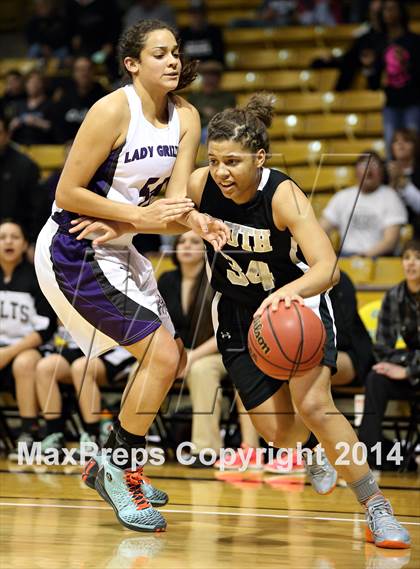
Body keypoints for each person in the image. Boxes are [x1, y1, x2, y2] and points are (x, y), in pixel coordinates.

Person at [185, 94, 410, 548]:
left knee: (314, 407)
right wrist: (124, 226)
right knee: (277, 431)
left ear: (260, 158)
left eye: (233, 161)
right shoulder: (198, 185)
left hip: (296, 305)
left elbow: (328, 267)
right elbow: (170, 218)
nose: (221, 171)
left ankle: (376, 507)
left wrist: (288, 292)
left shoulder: (283, 195)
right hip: (235, 312)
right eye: (214, 160)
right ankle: (310, 451)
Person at [34, 19, 229, 533]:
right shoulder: (111, 110)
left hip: (118, 244)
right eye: (159, 53)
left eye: (176, 52)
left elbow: (174, 200)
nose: (172, 61)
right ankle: (118, 471)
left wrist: (200, 219)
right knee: (162, 356)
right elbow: (68, 191)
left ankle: (116, 467)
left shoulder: (187, 114)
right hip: (74, 249)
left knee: (172, 359)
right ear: (132, 63)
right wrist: (139, 220)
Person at [158, 230, 260, 468]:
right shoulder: (167, 280)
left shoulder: (220, 280)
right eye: (181, 240)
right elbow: (159, 323)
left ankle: (206, 449)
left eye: (194, 241)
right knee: (143, 369)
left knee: (202, 369)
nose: (187, 245)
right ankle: (131, 445)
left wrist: (191, 357)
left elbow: (230, 329)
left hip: (220, 351)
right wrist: (176, 355)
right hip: (179, 352)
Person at [358, 239, 420, 470]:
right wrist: (402, 367)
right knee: (376, 378)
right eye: (406, 257)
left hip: (412, 370)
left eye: (417, 257)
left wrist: (408, 369)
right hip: (410, 369)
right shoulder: (394, 296)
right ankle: (369, 455)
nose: (411, 263)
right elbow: (382, 348)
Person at [35, 324, 135, 458]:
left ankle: (93, 437)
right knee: (45, 368)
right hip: (78, 345)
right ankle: (54, 435)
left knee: (81, 368)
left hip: (113, 348)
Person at [0, 220, 55, 457]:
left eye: (14, 237)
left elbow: (45, 328)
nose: (8, 242)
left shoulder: (36, 278)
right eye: (2, 237)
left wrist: (8, 352)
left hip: (26, 347)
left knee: (24, 363)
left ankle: (28, 431)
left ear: (24, 245)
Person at [320, 152, 408, 257]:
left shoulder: (390, 197)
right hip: (344, 256)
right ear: (356, 172)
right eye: (364, 165)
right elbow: (321, 229)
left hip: (377, 258)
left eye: (374, 165)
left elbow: (390, 241)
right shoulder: (342, 196)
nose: (369, 170)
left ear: (381, 172)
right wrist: (329, 254)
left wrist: (363, 256)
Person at [0, 116, 40, 246]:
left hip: (18, 238)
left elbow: (36, 209)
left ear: (7, 134)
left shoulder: (26, 166)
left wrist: (31, 242)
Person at [329, 271, 374, 387]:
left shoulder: (340, 280)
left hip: (350, 351)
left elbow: (344, 335)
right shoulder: (294, 280)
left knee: (311, 365)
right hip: (313, 352)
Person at [388, 128, 420, 238]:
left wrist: (404, 183)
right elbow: (382, 208)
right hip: (390, 230)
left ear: (415, 146)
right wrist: (392, 184)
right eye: (396, 141)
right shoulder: (383, 173)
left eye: (406, 140)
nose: (400, 144)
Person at [9, 70, 54, 145]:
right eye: (29, 82)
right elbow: (9, 131)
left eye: (36, 82)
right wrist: (13, 125)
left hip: (42, 146)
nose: (33, 85)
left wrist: (38, 122)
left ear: (42, 84)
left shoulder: (50, 105)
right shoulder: (19, 105)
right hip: (20, 146)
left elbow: (55, 128)